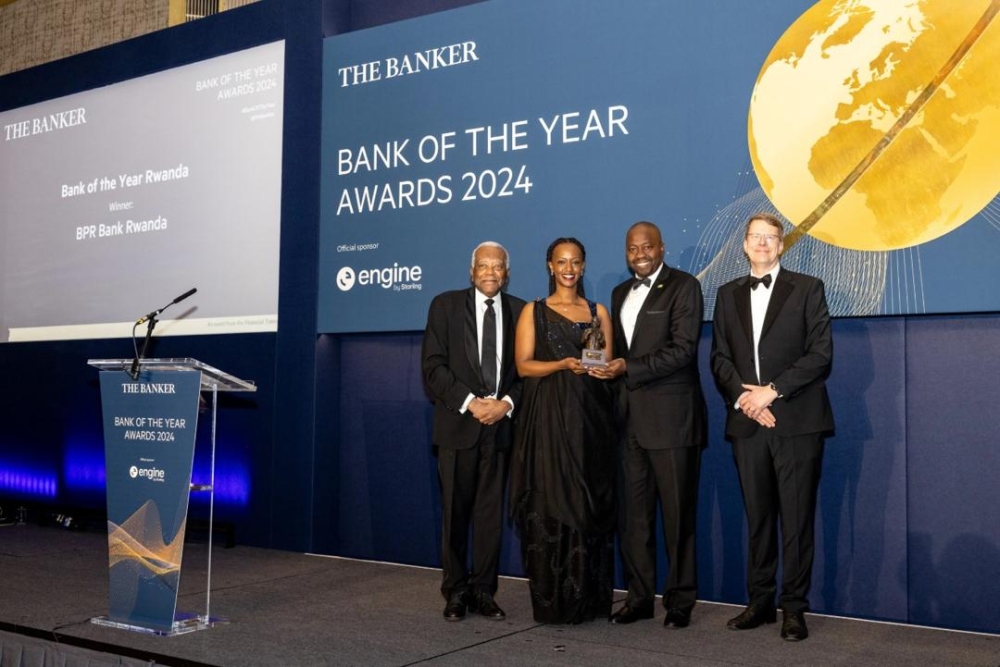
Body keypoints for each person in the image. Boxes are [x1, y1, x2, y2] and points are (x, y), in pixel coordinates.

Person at [710, 212, 834, 642]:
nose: (762, 243)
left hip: (797, 421)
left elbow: (820, 355)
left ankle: (794, 609)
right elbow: (719, 358)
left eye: (770, 237)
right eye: (755, 237)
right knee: (758, 517)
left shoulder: (808, 288)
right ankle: (760, 602)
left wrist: (773, 391)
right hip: (748, 423)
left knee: (796, 520)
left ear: (782, 246)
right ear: (744, 245)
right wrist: (747, 399)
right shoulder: (726, 295)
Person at [590, 221, 707, 628]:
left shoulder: (685, 286)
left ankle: (679, 602)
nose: (639, 253)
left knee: (677, 517)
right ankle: (639, 598)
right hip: (629, 425)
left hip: (673, 422)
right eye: (632, 248)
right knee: (634, 519)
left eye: (647, 246)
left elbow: (682, 351)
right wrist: (602, 367)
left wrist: (628, 367)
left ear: (662, 247)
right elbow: (614, 352)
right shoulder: (619, 293)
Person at [508, 237, 617, 624]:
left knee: (590, 503)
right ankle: (554, 601)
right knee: (550, 502)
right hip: (549, 420)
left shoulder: (597, 311)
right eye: (561, 261)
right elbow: (523, 366)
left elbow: (603, 361)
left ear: (583, 267)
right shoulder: (533, 311)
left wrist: (601, 366)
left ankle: (589, 601)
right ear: (550, 266)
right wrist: (560, 365)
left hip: (591, 419)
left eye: (575, 261)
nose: (569, 268)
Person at [422, 241, 526, 622]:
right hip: (457, 426)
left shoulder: (521, 312)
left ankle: (484, 591)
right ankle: (455, 591)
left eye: (497, 266)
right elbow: (433, 367)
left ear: (506, 272)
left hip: (499, 430)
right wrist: (471, 402)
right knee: (455, 515)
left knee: (489, 517)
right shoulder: (445, 306)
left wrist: (505, 405)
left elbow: (525, 373)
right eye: (483, 265)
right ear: (471, 271)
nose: (490, 272)